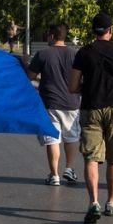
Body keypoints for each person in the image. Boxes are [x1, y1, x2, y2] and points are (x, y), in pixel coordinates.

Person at [68, 13, 113, 224]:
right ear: (110, 30)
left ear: (92, 30)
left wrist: (85, 87)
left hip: (91, 106)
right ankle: (112, 201)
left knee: (91, 158)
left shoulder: (83, 53)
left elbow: (73, 86)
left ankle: (93, 202)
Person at [26, 23, 81, 186]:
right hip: (72, 102)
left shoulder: (43, 54)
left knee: (52, 139)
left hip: (50, 102)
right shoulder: (75, 55)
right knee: (71, 137)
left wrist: (25, 62)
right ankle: (69, 168)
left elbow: (30, 76)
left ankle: (54, 174)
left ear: (51, 36)